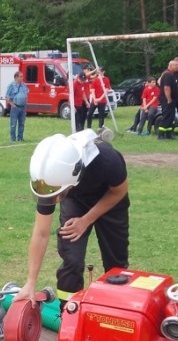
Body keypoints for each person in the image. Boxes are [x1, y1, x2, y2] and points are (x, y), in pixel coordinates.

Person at [12, 130, 129, 308]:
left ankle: (116, 310)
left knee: (116, 263)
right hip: (75, 200)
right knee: (72, 260)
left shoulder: (107, 160)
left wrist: (86, 220)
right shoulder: (47, 179)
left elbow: (119, 191)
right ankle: (68, 311)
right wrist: (30, 282)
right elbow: (41, 233)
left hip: (109, 197)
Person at [157, 60, 178, 140]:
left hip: (172, 99)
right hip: (167, 99)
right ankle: (161, 135)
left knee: (171, 117)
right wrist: (169, 99)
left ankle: (168, 134)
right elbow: (166, 88)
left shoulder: (171, 74)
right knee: (167, 116)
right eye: (175, 65)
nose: (177, 67)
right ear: (170, 65)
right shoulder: (167, 74)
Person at [5, 71, 28, 142]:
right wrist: (12, 104)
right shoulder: (11, 85)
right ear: (16, 77)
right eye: (21, 76)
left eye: (22, 76)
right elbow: (7, 97)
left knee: (22, 124)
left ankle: (20, 138)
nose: (22, 78)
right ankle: (13, 139)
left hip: (23, 107)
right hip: (15, 107)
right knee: (13, 124)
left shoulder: (23, 85)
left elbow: (26, 93)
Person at [73, 68, 91, 132]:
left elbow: (83, 93)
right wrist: (72, 106)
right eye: (81, 80)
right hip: (75, 104)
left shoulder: (82, 84)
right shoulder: (74, 84)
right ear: (78, 78)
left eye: (83, 80)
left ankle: (81, 128)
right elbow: (71, 95)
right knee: (77, 118)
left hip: (80, 103)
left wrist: (86, 102)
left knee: (82, 116)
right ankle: (76, 129)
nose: (82, 81)